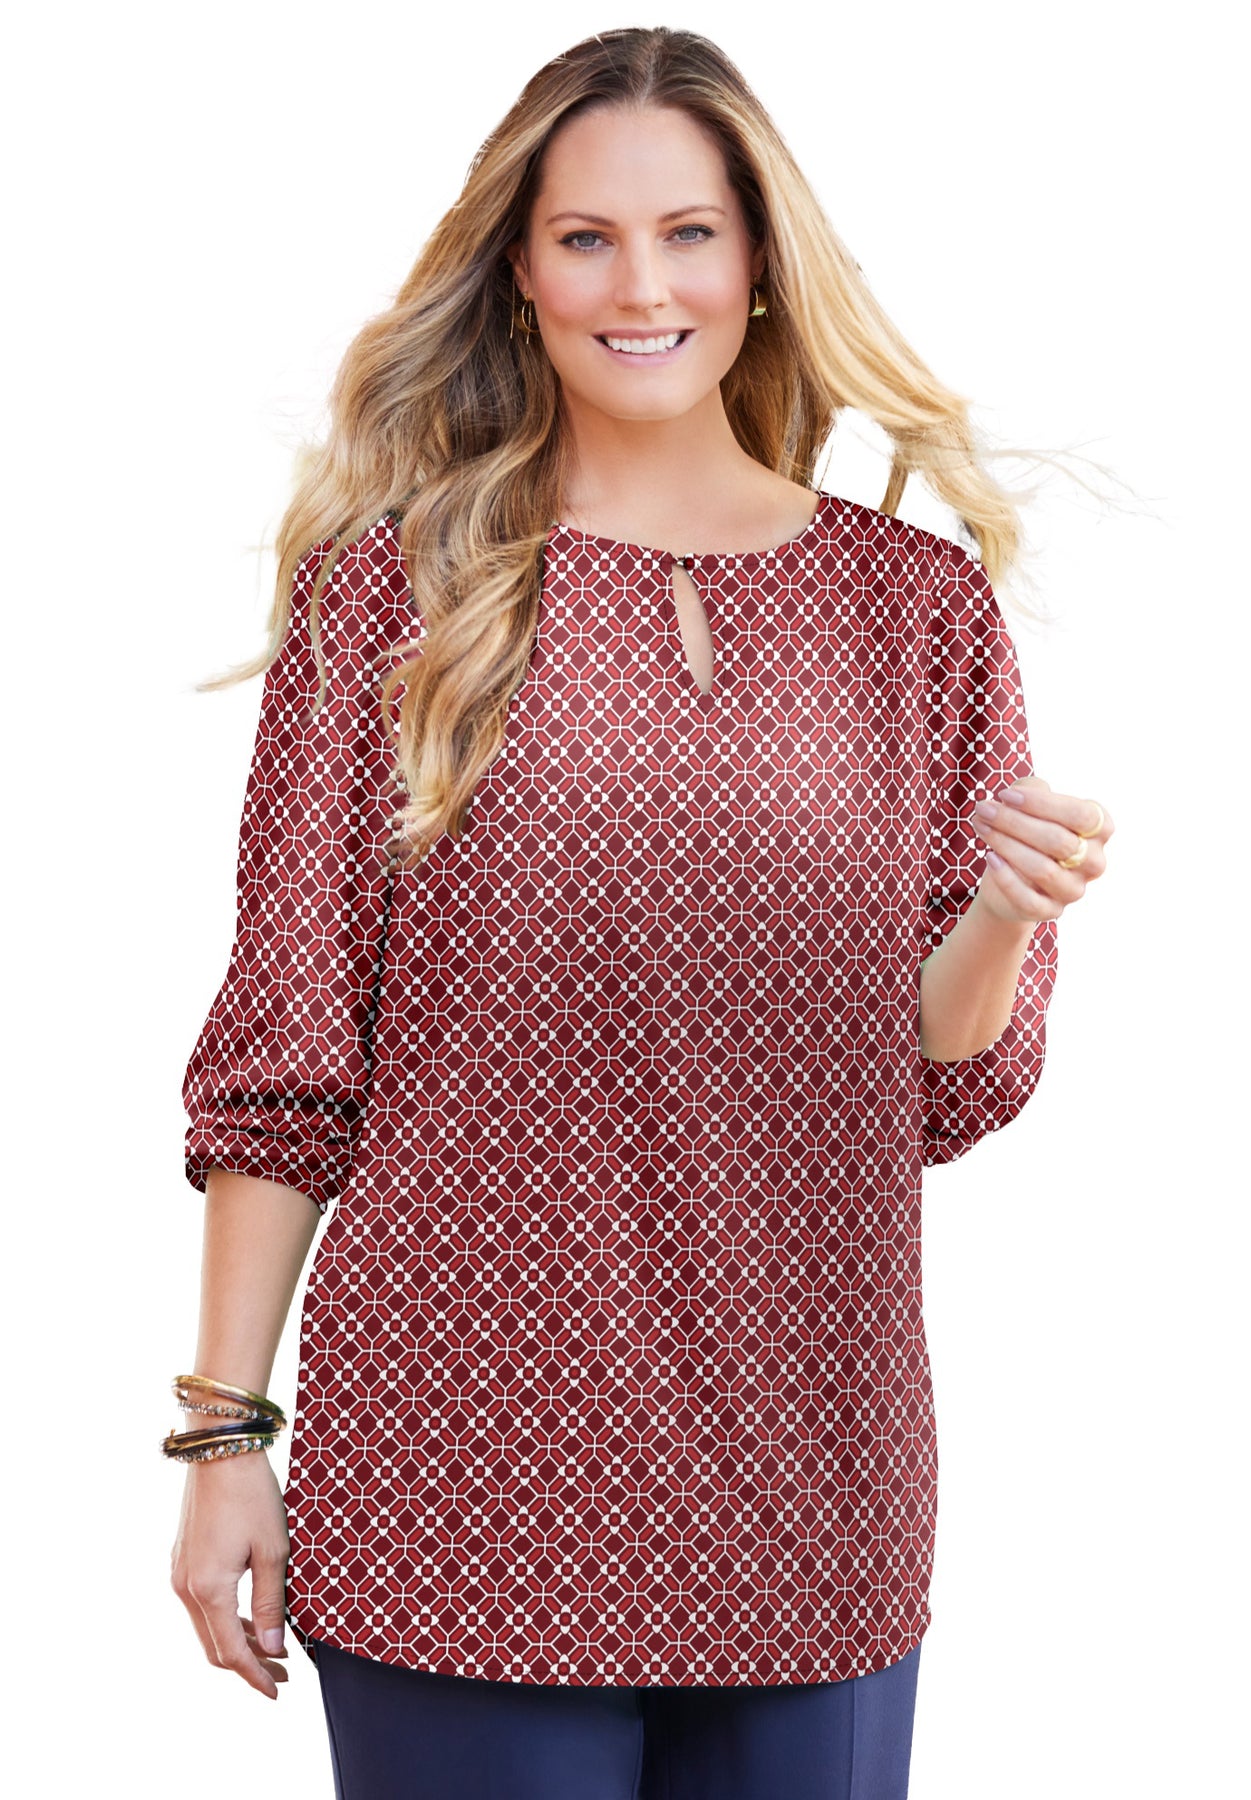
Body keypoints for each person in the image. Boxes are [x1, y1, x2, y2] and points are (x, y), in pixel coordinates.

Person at [167, 24, 1113, 1800]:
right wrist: (223, 1438)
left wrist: (1000, 913)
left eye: (688, 233)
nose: (641, 286)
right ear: (519, 274)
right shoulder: (394, 597)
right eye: (586, 239)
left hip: (813, 1498)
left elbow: (941, 1088)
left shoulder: (918, 612)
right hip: (456, 1493)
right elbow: (286, 1055)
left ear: (761, 264)